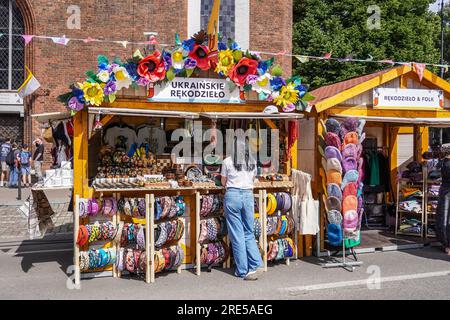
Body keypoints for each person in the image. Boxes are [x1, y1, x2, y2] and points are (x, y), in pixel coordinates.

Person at [220, 137, 264, 280]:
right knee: (248, 233)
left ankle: (242, 270)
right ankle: (256, 265)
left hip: (232, 196)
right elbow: (253, 179)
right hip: (248, 196)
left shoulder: (227, 161)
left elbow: (223, 182)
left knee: (237, 234)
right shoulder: (251, 161)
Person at [437, 157, 450, 254]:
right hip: (446, 191)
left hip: (445, 191)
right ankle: (446, 244)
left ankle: (446, 244)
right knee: (445, 217)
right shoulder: (446, 163)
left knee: (444, 217)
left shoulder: (444, 162)